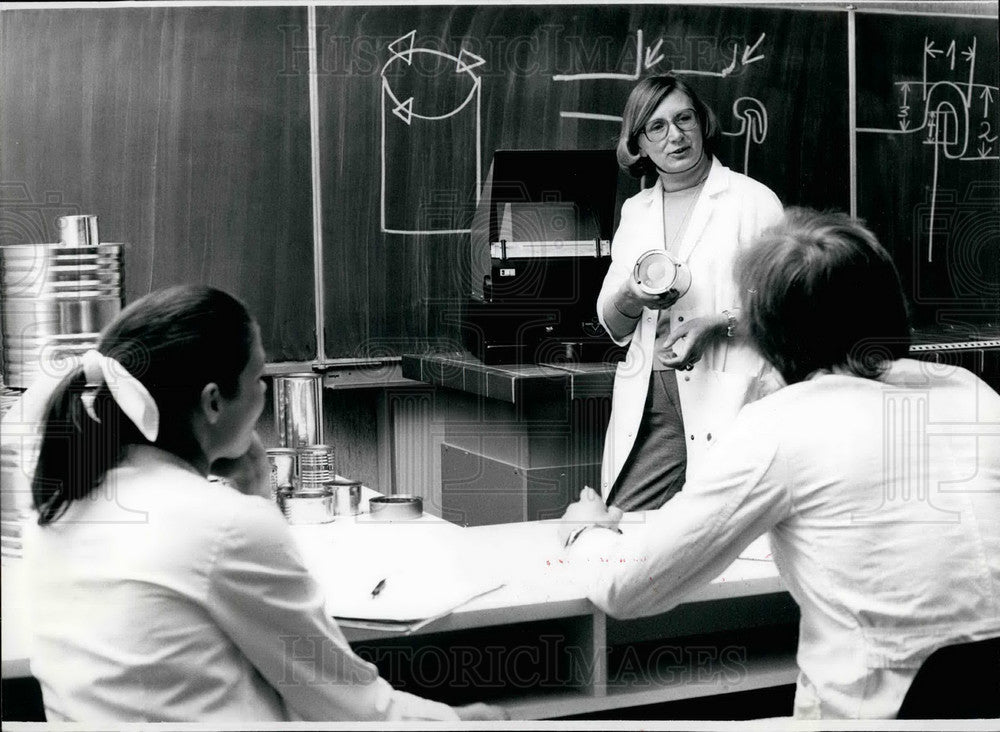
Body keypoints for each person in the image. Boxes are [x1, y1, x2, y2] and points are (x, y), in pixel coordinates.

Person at [561, 209, 1000, 718]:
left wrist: (587, 534)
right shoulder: (972, 393)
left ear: (769, 335)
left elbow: (626, 589)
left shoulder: (783, 425)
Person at [20, 285, 503, 723]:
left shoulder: (61, 504)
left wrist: (254, 495)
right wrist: (458, 722)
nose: (265, 391)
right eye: (257, 376)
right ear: (213, 402)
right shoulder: (221, 525)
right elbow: (346, 706)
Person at [598, 75, 784, 512]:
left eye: (684, 119)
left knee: (724, 535)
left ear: (702, 124)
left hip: (727, 393)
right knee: (624, 528)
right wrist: (632, 294)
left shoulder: (752, 202)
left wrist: (719, 324)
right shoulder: (636, 211)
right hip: (652, 399)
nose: (675, 136)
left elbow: (789, 310)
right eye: (657, 127)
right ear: (639, 144)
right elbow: (613, 323)